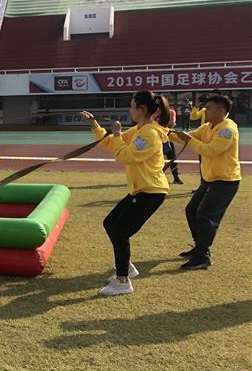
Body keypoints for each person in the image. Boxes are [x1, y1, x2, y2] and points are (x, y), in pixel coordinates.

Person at [82, 90, 171, 296]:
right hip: (140, 191)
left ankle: (122, 281)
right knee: (110, 223)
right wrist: (95, 125)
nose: (130, 110)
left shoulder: (149, 134)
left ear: (141, 109)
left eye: (132, 106)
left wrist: (117, 134)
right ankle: (126, 267)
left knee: (120, 231)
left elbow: (127, 155)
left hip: (151, 191)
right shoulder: (138, 130)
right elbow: (110, 144)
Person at [169, 94, 242, 270]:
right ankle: (200, 247)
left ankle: (203, 255)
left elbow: (210, 150)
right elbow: (185, 136)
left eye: (208, 108)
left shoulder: (227, 129)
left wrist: (189, 139)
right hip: (210, 180)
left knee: (205, 215)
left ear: (221, 111)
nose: (205, 111)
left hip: (226, 181)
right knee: (192, 210)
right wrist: (164, 131)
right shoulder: (207, 127)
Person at [162, 104, 183, 185]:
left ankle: (176, 178)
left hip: (168, 138)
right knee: (157, 159)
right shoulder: (156, 113)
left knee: (172, 159)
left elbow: (172, 124)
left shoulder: (171, 112)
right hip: (158, 139)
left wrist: (164, 125)